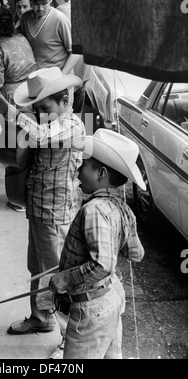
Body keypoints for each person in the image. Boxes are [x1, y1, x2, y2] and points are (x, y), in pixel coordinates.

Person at [0, 67, 85, 335]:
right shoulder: (45, 121)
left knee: (55, 273)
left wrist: (5, 108)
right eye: (37, 107)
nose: (39, 112)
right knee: (37, 268)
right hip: (38, 207)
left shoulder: (72, 124)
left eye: (45, 106)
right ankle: (41, 317)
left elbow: (39, 136)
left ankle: (67, 337)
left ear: (65, 100)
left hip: (55, 210)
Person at [48, 128, 145, 359]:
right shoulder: (123, 208)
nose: (78, 171)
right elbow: (136, 253)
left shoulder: (94, 210)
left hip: (92, 307)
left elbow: (102, 265)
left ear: (101, 173)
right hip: (111, 296)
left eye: (83, 166)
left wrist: (64, 278)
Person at [0, 5, 38, 212]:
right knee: (28, 148)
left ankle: (17, 197)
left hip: (11, 100)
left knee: (13, 153)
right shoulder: (22, 39)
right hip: (32, 94)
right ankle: (27, 193)